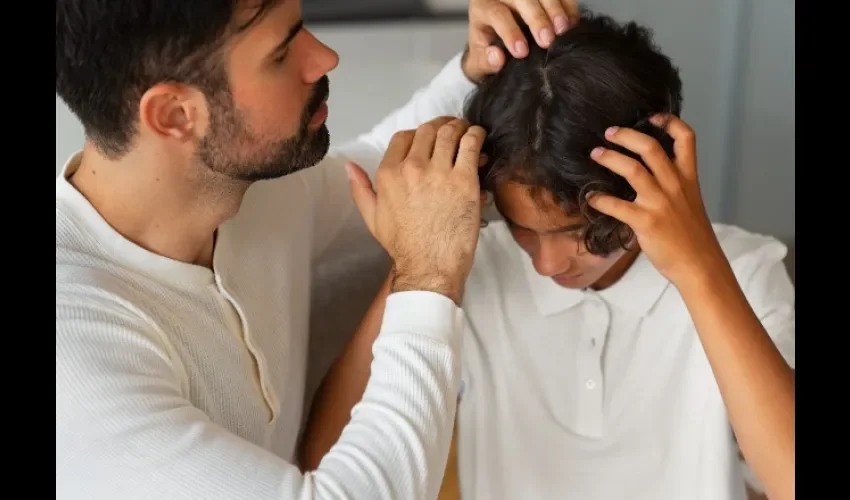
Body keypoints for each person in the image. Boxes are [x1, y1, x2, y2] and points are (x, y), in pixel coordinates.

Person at [54, 0, 584, 498]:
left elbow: (382, 170)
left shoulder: (249, 188)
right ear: (173, 114)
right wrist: (427, 278)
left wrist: (477, 66)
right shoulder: (76, 354)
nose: (324, 58)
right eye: (282, 53)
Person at [300, 10, 795, 500]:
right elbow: (326, 465)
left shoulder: (743, 271)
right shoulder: (471, 271)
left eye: (582, 233)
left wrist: (699, 269)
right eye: (522, 230)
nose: (548, 263)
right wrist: (419, 262)